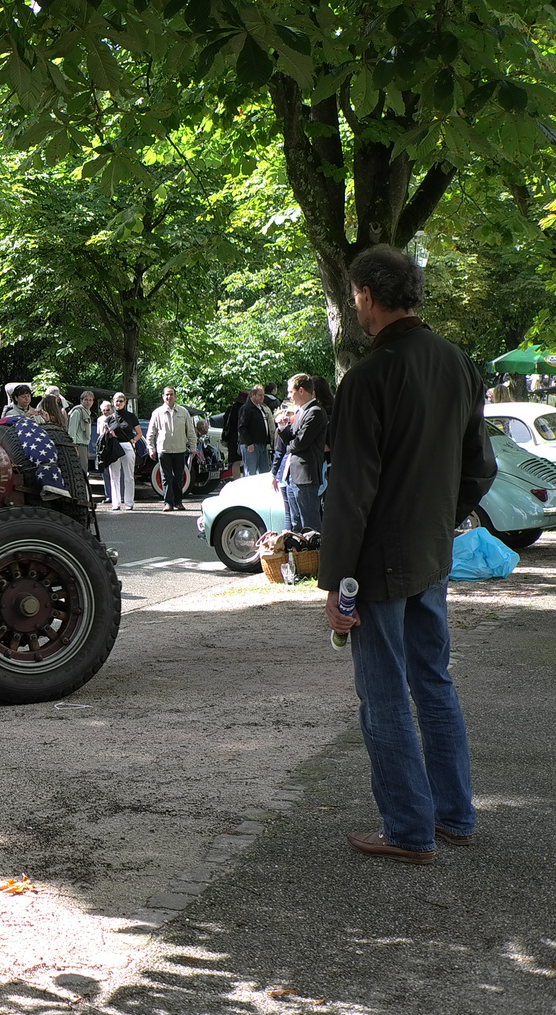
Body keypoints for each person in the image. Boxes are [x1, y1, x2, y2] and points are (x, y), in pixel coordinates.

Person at [321, 244, 495, 865]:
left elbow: (350, 492)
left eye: (357, 299)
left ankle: (408, 830)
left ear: (366, 296)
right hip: (430, 554)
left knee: (386, 695)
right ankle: (454, 815)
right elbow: (480, 468)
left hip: (377, 563)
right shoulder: (457, 363)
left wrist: (336, 584)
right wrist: (440, 519)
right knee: (434, 682)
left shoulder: (369, 377)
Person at [275, 373, 329, 532]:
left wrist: (289, 444)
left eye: (290, 391)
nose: (288, 396)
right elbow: (292, 437)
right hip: (293, 474)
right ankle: (301, 556)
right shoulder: (300, 412)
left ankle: (315, 555)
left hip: (306, 475)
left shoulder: (315, 412)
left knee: (310, 522)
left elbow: (299, 443)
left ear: (301, 390)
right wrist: (283, 428)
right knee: (296, 521)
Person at [146, 386, 200, 512]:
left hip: (179, 449)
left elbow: (191, 431)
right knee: (166, 477)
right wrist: (151, 449)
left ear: (175, 396)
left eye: (171, 394)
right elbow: (151, 433)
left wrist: (193, 448)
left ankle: (178, 502)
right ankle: (168, 503)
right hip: (163, 450)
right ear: (163, 397)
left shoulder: (183, 412)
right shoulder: (157, 413)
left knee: (178, 478)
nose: (169, 397)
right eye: (167, 395)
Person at [103, 393, 142, 511]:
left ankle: (129, 502)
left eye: (121, 401)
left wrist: (133, 440)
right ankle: (116, 503)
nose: (118, 403)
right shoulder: (109, 419)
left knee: (129, 475)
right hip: (114, 447)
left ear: (125, 403)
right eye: (116, 401)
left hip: (127, 446)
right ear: (113, 403)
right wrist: (109, 435)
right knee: (114, 476)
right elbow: (104, 436)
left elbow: (139, 433)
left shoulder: (131, 416)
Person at [237, 384, 271, 476]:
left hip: (262, 443)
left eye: (263, 395)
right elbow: (242, 427)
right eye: (260, 395)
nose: (262, 397)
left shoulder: (261, 408)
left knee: (264, 471)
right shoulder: (247, 408)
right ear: (253, 395)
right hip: (251, 445)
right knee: (251, 472)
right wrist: (249, 443)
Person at [66, 390, 95, 471]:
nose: (88, 402)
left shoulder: (87, 412)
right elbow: (72, 431)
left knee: (84, 468)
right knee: (80, 469)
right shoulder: (77, 412)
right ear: (81, 400)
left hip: (84, 445)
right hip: (78, 445)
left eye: (90, 400)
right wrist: (74, 447)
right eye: (86, 400)